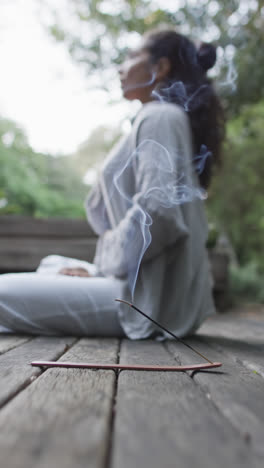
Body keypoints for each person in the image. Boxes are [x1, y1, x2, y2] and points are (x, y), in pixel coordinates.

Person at [0, 29, 224, 339]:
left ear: (160, 68)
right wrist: (99, 270)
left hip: (146, 304)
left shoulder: (159, 116)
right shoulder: (165, 117)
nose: (121, 67)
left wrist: (105, 264)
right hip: (152, 293)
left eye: (132, 57)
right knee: (53, 265)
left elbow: (157, 215)